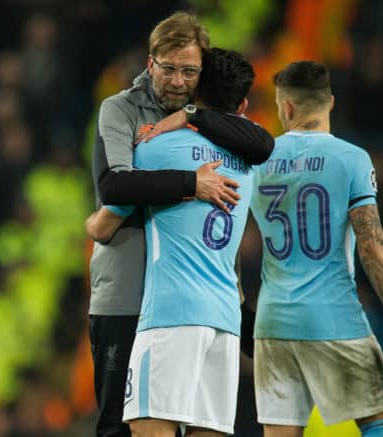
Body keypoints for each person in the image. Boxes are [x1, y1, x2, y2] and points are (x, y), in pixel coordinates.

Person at [87, 12, 273, 437]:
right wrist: (194, 182)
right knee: (118, 425)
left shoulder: (164, 141)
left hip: (172, 304)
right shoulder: (121, 109)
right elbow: (114, 183)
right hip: (127, 295)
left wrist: (192, 117)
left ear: (201, 75)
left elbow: (262, 143)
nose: (176, 80)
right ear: (149, 63)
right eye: (168, 68)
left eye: (188, 72)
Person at [249, 61, 383, 437]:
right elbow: (372, 246)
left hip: (272, 322)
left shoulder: (259, 161)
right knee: (382, 423)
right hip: (333, 316)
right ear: (331, 103)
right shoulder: (351, 158)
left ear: (286, 107)